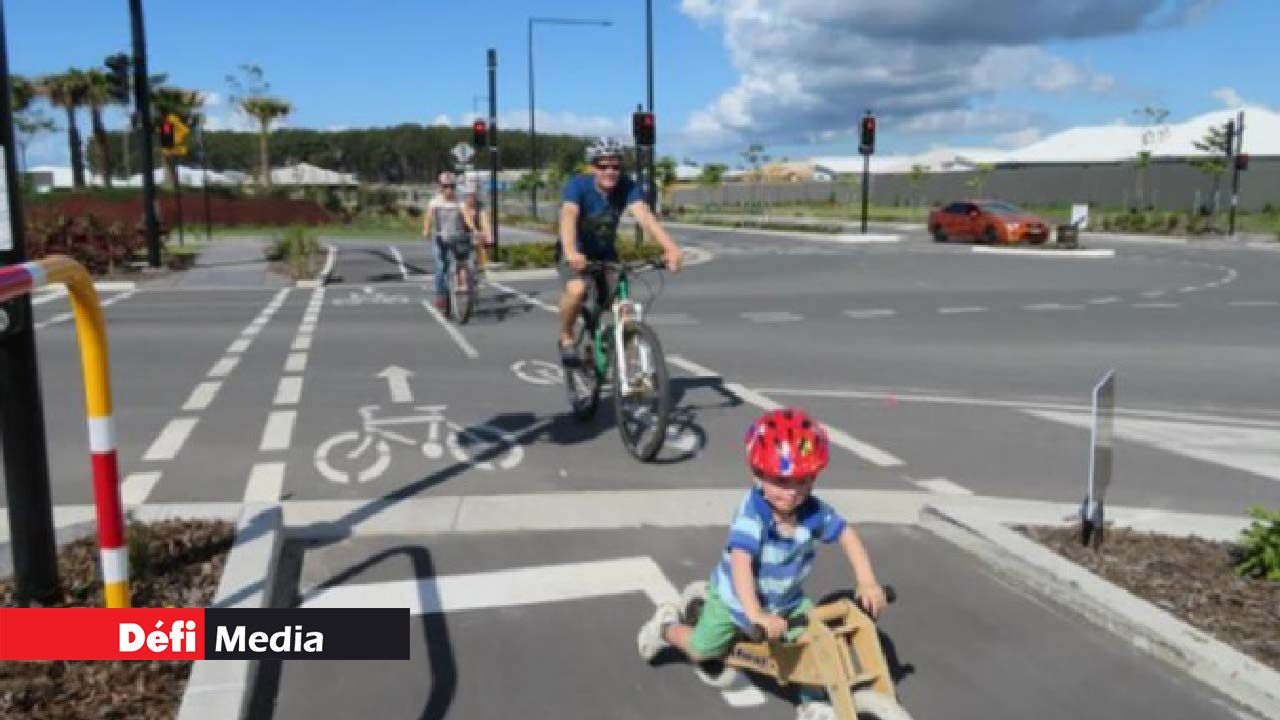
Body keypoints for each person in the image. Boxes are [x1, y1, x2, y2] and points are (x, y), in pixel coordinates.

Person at [637, 408, 889, 720]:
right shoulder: (753, 516)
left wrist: (866, 581)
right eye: (781, 481)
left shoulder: (812, 511)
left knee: (815, 641)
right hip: (735, 601)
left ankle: (812, 702)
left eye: (803, 481)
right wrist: (755, 614)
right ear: (758, 473)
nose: (792, 492)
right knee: (703, 649)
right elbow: (741, 564)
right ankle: (665, 628)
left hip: (786, 601)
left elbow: (847, 535)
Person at [557, 137, 683, 365]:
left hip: (606, 255)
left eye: (615, 166)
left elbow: (645, 217)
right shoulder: (578, 185)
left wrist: (671, 248)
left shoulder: (627, 186)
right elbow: (568, 216)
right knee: (577, 290)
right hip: (576, 252)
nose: (610, 172)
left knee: (623, 307)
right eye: (603, 166)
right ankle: (566, 337)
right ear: (592, 167)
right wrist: (571, 252)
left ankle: (616, 361)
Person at [423, 171, 479, 311]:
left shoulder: (459, 202)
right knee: (441, 266)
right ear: (440, 187)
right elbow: (429, 217)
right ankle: (441, 295)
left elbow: (467, 216)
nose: (449, 189)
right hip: (440, 237)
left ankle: (463, 286)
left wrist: (474, 229)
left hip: (456, 237)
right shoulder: (435, 202)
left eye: (451, 186)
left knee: (463, 260)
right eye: (445, 186)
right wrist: (427, 230)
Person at [461, 182, 493, 276]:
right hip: (462, 233)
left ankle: (481, 266)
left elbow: (484, 221)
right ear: (465, 196)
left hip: (475, 234)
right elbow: (467, 219)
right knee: (462, 259)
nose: (471, 198)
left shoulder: (480, 206)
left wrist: (488, 236)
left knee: (481, 243)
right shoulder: (462, 205)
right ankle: (462, 272)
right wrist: (474, 230)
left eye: (473, 196)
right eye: (469, 196)